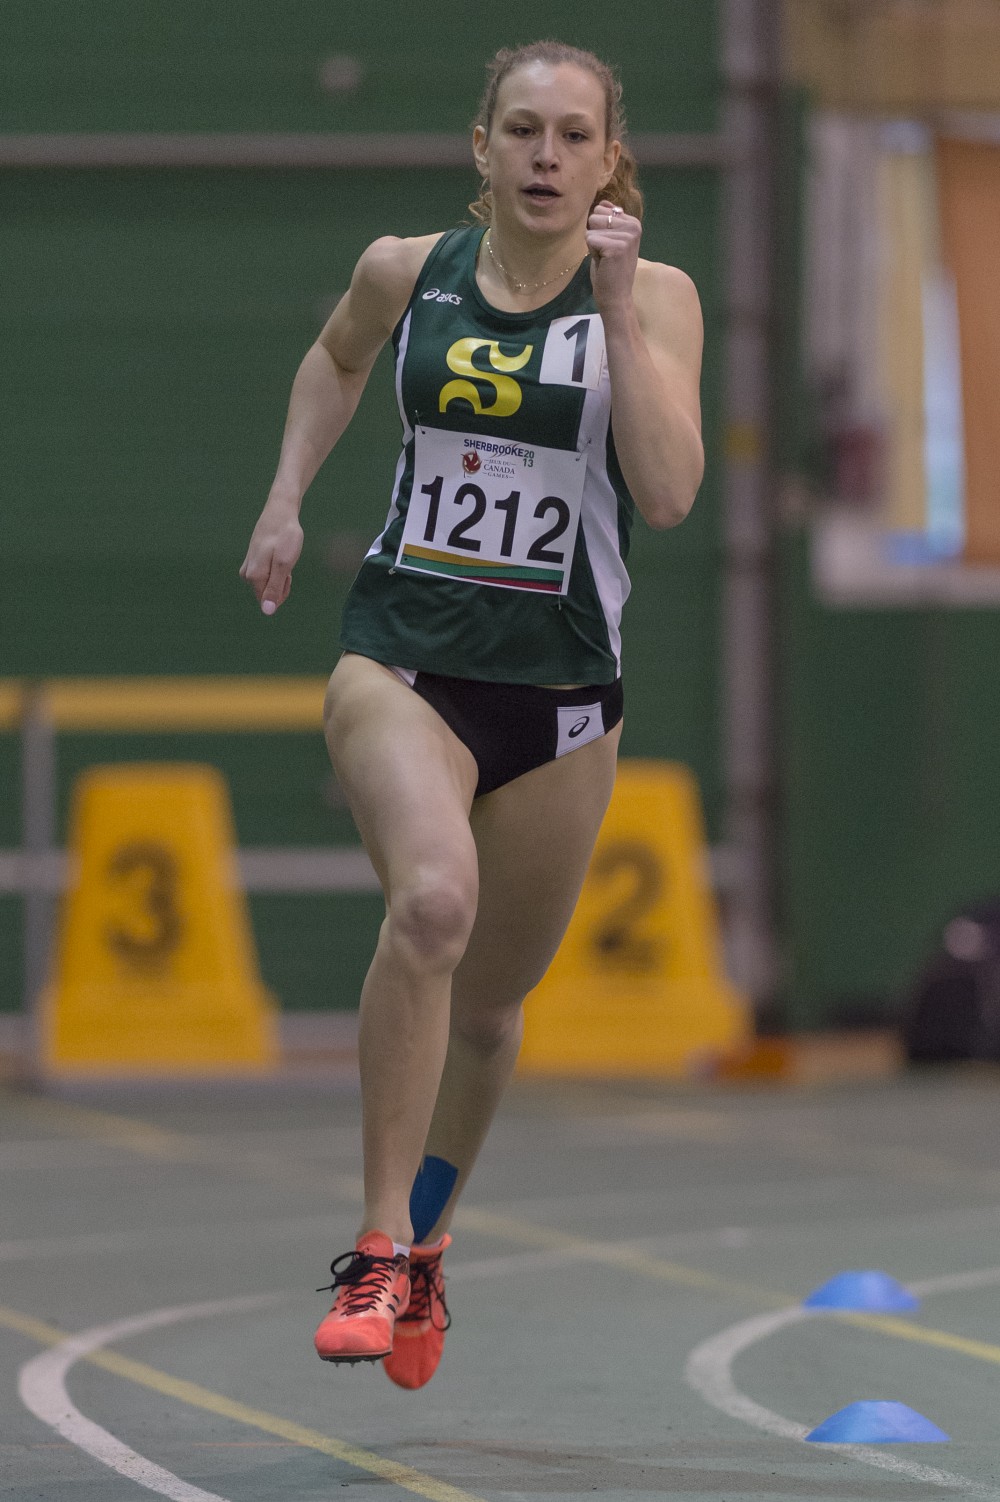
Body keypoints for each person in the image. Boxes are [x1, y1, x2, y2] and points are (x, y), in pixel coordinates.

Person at [240, 39, 704, 1390]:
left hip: (560, 702)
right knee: (433, 905)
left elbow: (669, 494)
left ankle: (432, 1243)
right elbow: (332, 362)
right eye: (523, 130)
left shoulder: (656, 297)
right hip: (403, 664)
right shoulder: (408, 270)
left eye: (574, 135)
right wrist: (285, 499)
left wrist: (615, 315)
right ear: (482, 148)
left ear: (610, 160)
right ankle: (378, 1241)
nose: (546, 156)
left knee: (493, 1009)